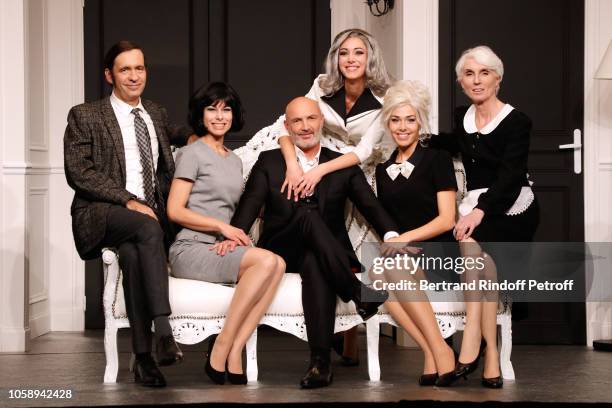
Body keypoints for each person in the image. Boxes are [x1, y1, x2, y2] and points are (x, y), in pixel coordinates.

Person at [230, 97, 398, 389]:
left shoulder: (339, 163)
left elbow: (371, 206)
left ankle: (320, 363)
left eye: (311, 119)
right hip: (281, 249)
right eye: (297, 121)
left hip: (324, 255)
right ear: (287, 126)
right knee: (307, 217)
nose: (305, 127)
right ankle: (356, 292)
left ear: (321, 121)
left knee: (315, 262)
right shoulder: (270, 161)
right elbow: (249, 205)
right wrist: (232, 239)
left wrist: (393, 235)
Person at [64, 41, 191, 388]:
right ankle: (163, 330)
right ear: (109, 75)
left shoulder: (155, 112)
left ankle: (144, 359)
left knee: (137, 250)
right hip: (102, 211)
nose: (134, 76)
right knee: (147, 226)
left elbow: (174, 134)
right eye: (125, 69)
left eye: (139, 68)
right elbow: (80, 173)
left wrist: (198, 136)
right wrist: (127, 200)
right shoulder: (85, 114)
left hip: (143, 222)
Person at [266, 27, 394, 364]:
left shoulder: (385, 97)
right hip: (310, 154)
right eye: (344, 53)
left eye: (359, 53)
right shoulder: (323, 85)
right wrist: (294, 164)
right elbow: (291, 121)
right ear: (337, 57)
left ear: (370, 58)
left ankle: (348, 344)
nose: (351, 60)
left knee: (336, 227)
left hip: (349, 167)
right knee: (302, 214)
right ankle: (358, 298)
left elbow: (365, 150)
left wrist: (320, 170)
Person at [430, 45, 539, 388]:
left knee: (476, 245)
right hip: (476, 208)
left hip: (511, 207)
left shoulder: (518, 121)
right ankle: (489, 353)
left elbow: (510, 177)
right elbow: (452, 143)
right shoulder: (463, 116)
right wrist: (411, 132)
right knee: (478, 258)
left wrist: (479, 211)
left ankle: (473, 342)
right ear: (461, 81)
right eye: (469, 74)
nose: (476, 81)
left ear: (498, 79)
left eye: (484, 73)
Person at [166, 82, 285, 385]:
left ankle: (234, 351)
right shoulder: (192, 153)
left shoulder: (233, 160)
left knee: (279, 263)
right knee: (267, 262)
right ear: (200, 115)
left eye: (226, 109)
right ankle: (222, 348)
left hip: (219, 248)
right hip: (190, 248)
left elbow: (232, 209)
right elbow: (175, 210)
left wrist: (230, 237)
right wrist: (222, 228)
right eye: (211, 109)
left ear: (234, 114)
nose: (219, 116)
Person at [374, 80, 458, 386]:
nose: (402, 127)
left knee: (392, 268)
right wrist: (396, 243)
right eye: (395, 120)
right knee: (375, 280)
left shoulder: (437, 159)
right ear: (387, 123)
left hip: (440, 252)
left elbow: (447, 219)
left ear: (420, 121)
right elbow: (391, 225)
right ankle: (433, 350)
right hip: (407, 254)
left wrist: (404, 240)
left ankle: (439, 351)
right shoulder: (382, 171)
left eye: (410, 119)